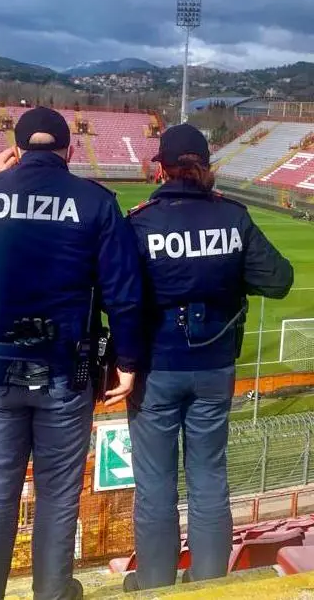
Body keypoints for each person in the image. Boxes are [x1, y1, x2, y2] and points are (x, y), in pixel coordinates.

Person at [0, 107, 142, 600]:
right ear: (69, 151)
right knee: (58, 499)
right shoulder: (96, 203)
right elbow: (123, 294)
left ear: (18, 150)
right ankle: (51, 592)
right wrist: (126, 364)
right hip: (65, 376)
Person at [124, 124, 293, 592]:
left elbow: (116, 293)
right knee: (208, 477)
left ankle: (156, 584)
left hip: (156, 369)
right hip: (215, 368)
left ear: (160, 167)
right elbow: (277, 280)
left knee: (155, 485)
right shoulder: (233, 218)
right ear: (206, 167)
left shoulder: (141, 220)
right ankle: (210, 586)